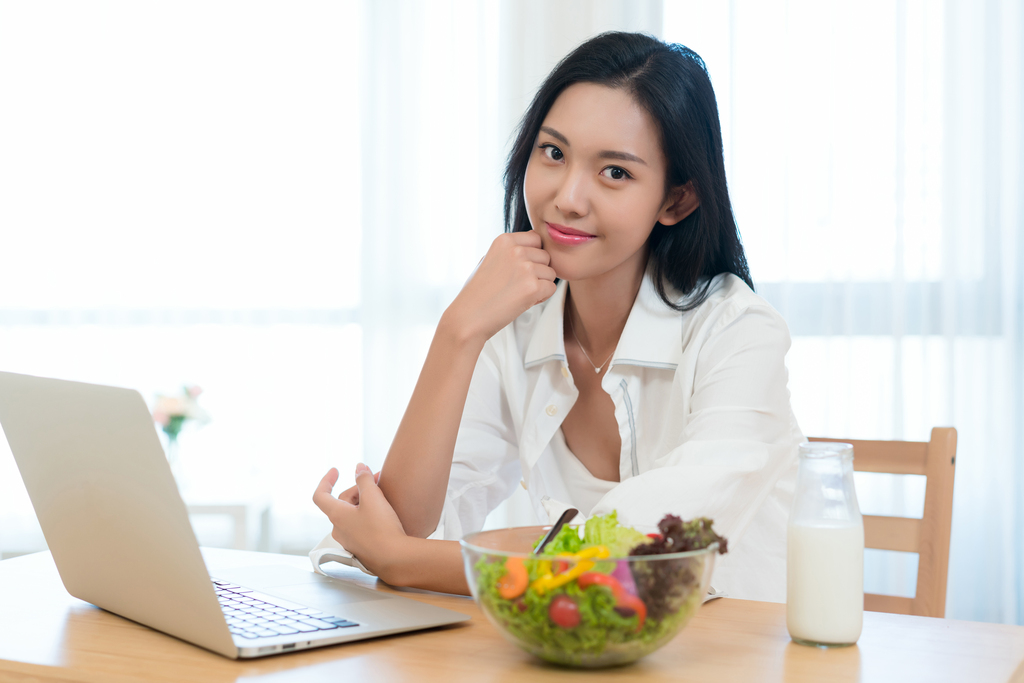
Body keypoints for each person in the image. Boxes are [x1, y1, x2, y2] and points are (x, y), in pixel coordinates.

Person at [313, 32, 803, 602]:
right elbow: (401, 522)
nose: (567, 197)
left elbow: (630, 561)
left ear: (678, 200)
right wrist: (457, 333)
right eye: (553, 153)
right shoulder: (517, 325)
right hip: (582, 655)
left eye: (615, 172)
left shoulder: (739, 336)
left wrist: (406, 561)